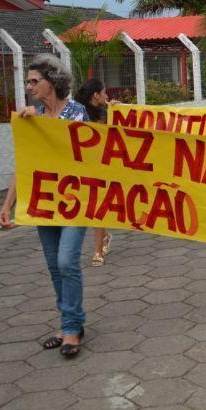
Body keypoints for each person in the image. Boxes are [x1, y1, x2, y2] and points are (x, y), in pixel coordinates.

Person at [0, 54, 90, 358]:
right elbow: (25, 165)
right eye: (28, 82)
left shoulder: (77, 112)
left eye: (35, 81)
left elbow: (82, 155)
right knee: (53, 266)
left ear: (53, 82)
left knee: (66, 262)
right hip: (44, 203)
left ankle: (72, 329)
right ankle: (69, 322)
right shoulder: (30, 118)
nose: (29, 86)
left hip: (75, 201)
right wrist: (7, 204)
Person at [74, 78, 116, 268]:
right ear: (96, 95)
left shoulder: (106, 114)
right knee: (89, 208)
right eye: (104, 92)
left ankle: (98, 251)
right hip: (80, 167)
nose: (107, 96)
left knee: (96, 207)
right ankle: (105, 236)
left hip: (101, 166)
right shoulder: (75, 113)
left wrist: (120, 111)